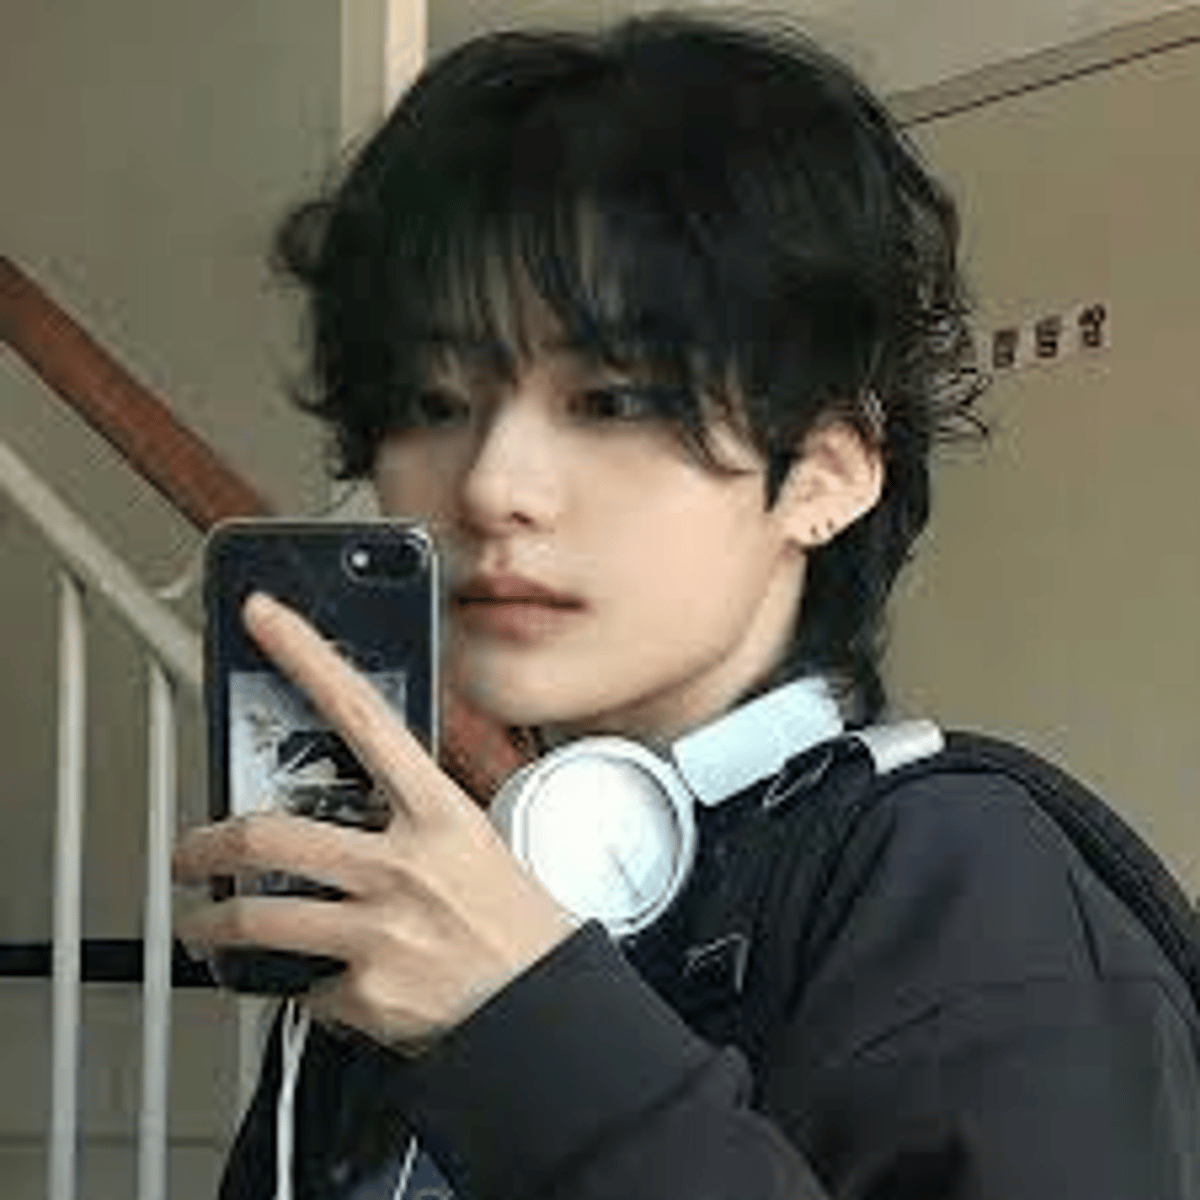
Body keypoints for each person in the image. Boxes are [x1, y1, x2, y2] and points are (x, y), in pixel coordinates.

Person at [173, 12, 1200, 1200]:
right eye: (434, 402)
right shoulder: (432, 900)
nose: (493, 485)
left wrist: (524, 1033)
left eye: (612, 401)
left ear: (825, 473)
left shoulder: (966, 887)